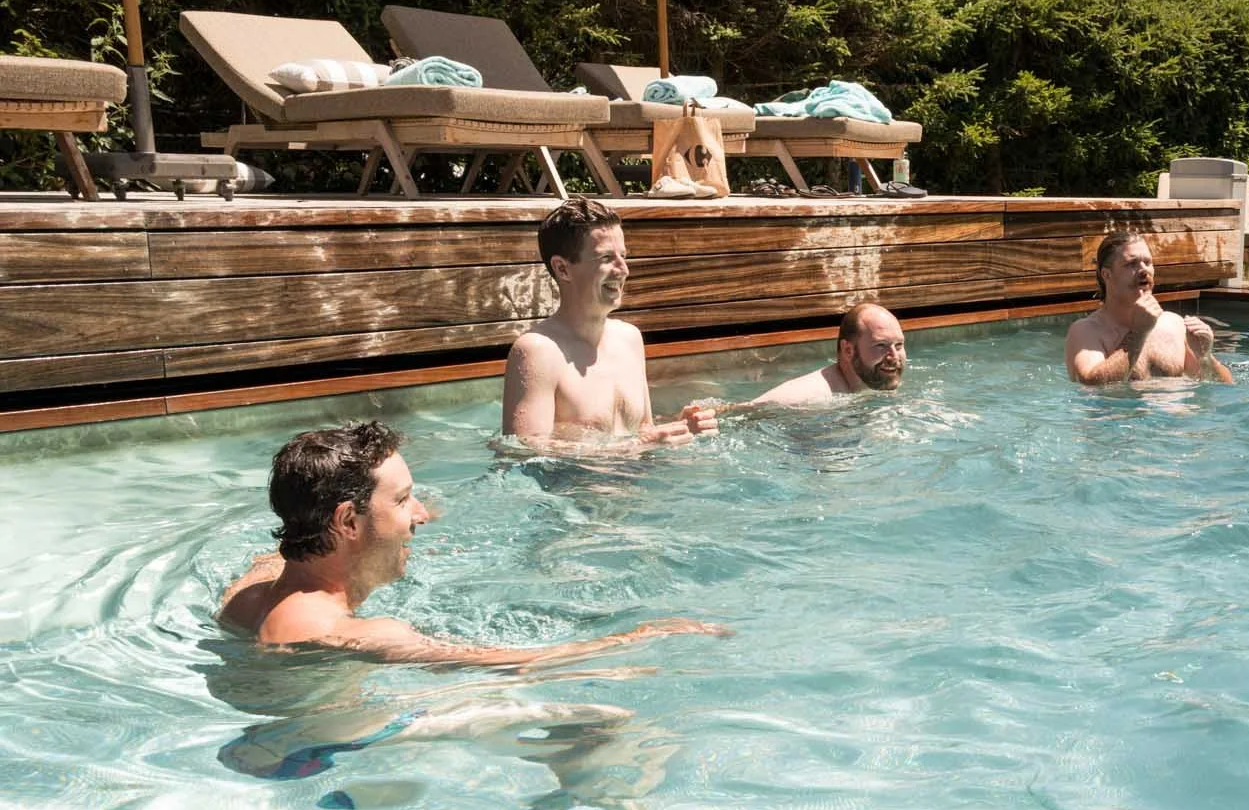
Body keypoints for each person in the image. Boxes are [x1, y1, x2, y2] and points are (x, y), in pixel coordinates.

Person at [220, 421, 728, 661]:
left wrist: (396, 520)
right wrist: (648, 636)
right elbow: (521, 665)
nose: (421, 514)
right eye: (404, 501)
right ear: (348, 522)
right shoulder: (358, 633)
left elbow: (281, 551)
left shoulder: (253, 590)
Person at [502, 197, 716, 450]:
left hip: (638, 486)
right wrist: (637, 446)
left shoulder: (630, 339)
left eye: (623, 256)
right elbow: (522, 449)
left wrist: (678, 429)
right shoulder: (538, 351)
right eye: (606, 258)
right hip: (575, 490)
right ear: (562, 269)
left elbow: (642, 431)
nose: (623, 269)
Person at [1066, 233, 1234, 384]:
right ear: (1107, 275)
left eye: (1147, 262)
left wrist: (1205, 357)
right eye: (1131, 264)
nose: (1143, 270)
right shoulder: (1086, 331)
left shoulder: (1174, 324)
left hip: (1177, 417)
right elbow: (1089, 384)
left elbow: (1224, 387)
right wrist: (1139, 333)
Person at [748, 303, 908, 407]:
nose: (894, 357)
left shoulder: (877, 385)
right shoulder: (807, 396)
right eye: (881, 346)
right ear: (848, 350)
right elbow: (735, 413)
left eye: (899, 345)